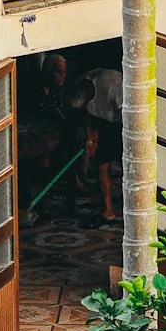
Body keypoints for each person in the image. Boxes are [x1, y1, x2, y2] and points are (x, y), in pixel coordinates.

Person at [66, 66, 121, 224]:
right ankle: (108, 211)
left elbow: (132, 113)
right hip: (105, 123)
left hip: (125, 122)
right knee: (102, 166)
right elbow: (88, 119)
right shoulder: (80, 84)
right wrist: (90, 139)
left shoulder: (111, 84)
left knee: (131, 170)